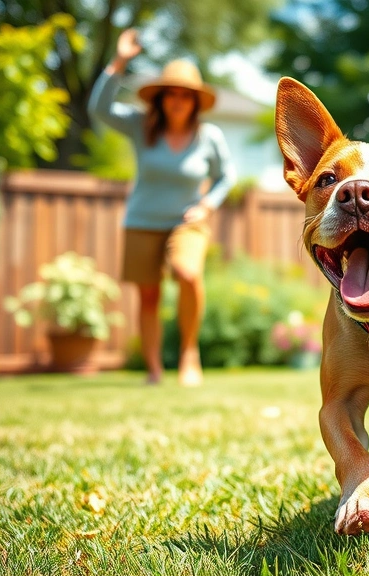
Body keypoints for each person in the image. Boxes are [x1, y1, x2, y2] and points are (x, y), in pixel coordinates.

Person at [89, 29, 236, 386]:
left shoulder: (209, 136)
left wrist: (207, 206)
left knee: (187, 274)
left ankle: (189, 353)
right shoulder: (142, 126)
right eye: (171, 94)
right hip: (141, 220)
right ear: (161, 99)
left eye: (186, 96)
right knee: (149, 295)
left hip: (186, 221)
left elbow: (226, 176)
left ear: (195, 101)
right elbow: (99, 109)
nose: (178, 101)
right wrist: (120, 59)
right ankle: (154, 369)